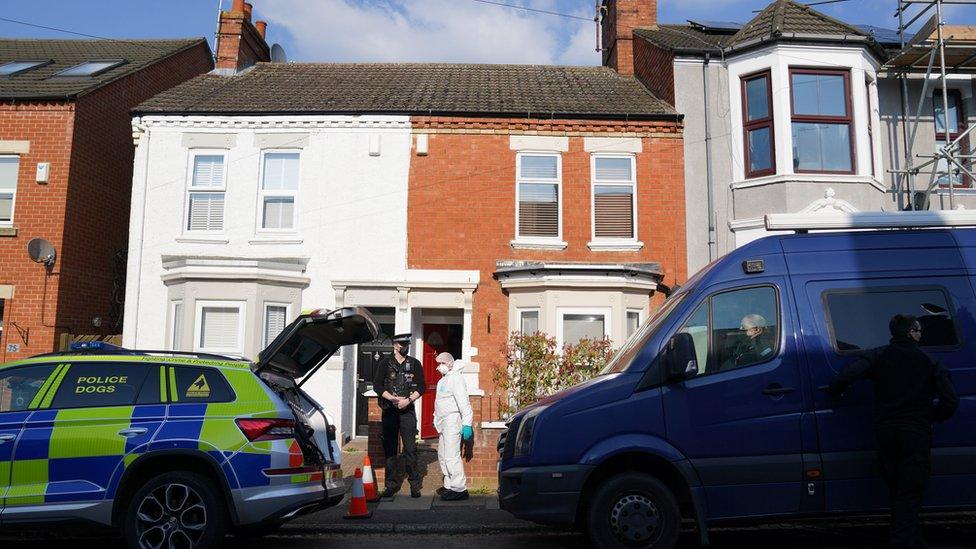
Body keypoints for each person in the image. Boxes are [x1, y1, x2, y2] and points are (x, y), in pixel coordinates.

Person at [828, 314, 958, 549]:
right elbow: (950, 401)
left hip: (886, 431)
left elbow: (848, 374)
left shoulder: (878, 356)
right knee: (910, 489)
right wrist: (933, 416)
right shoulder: (929, 361)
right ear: (910, 332)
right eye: (918, 331)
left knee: (897, 486)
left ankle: (915, 539)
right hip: (915, 433)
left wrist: (836, 392)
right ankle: (901, 541)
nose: (920, 334)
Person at [373, 333, 425, 498]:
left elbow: (422, 386)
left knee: (410, 449)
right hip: (390, 410)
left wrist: (408, 400)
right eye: (402, 344)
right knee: (390, 449)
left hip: (407, 411)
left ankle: (415, 486)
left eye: (407, 344)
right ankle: (390, 486)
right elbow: (377, 386)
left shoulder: (415, 363)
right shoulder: (385, 363)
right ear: (395, 345)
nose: (405, 346)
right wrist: (392, 398)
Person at [432, 352, 474, 501]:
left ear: (449, 364)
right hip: (444, 422)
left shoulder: (456, 379)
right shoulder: (443, 380)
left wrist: (467, 424)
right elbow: (440, 402)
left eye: (441, 363)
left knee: (451, 456)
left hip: (452, 421)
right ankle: (449, 484)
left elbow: (464, 403)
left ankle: (459, 489)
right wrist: (435, 418)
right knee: (443, 455)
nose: (438, 367)